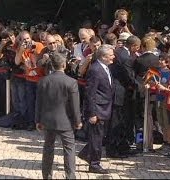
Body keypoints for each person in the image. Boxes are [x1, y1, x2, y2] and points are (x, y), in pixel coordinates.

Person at [35, 52, 82, 179]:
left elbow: (38, 103)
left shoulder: (44, 81)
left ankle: (47, 176)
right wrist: (78, 120)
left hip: (48, 120)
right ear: (63, 64)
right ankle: (70, 176)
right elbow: (75, 105)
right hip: (65, 121)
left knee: (48, 149)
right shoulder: (71, 82)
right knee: (69, 149)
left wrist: (37, 120)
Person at [78, 44, 115, 174]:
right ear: (104, 57)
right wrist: (92, 113)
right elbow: (90, 93)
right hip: (98, 109)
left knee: (99, 136)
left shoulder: (105, 68)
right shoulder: (95, 70)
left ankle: (85, 153)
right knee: (96, 138)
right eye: (111, 55)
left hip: (105, 107)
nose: (113, 57)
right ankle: (94, 164)